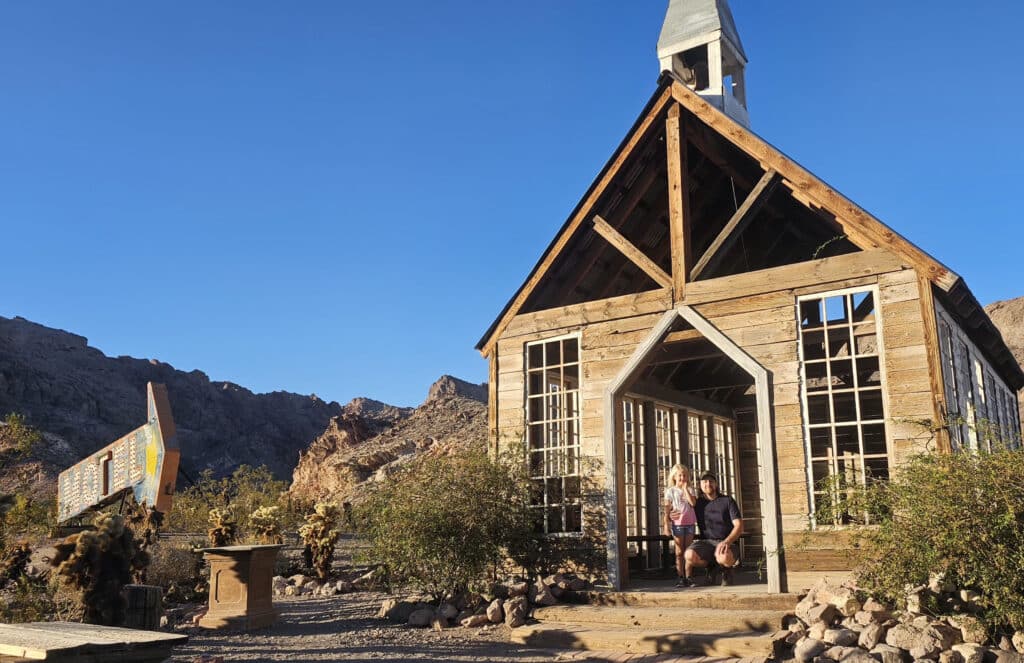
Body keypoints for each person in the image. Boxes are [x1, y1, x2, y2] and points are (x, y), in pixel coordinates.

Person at [684, 472, 743, 586]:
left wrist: (727, 541)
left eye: (711, 481)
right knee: (689, 555)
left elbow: (739, 525)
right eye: (704, 481)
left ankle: (726, 570)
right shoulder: (698, 503)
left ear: (716, 484)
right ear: (700, 485)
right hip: (707, 543)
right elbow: (678, 505)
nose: (708, 484)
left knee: (724, 557)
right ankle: (712, 567)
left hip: (727, 542)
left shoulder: (727, 500)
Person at [662, 464, 698, 588]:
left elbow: (693, 503)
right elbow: (667, 509)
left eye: (685, 475)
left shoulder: (691, 489)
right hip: (677, 524)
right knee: (679, 551)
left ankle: (689, 577)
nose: (682, 478)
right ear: (674, 477)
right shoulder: (670, 491)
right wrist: (666, 525)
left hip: (689, 524)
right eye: (680, 475)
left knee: (688, 551)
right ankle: (680, 577)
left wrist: (686, 489)